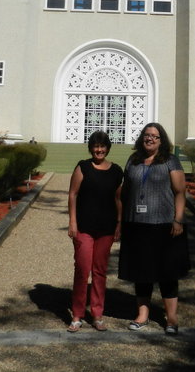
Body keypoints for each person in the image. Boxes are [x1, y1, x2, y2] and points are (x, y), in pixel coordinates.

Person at [117, 122, 190, 335]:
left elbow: (179, 192)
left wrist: (178, 220)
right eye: (147, 135)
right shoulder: (134, 160)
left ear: (161, 140)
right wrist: (121, 221)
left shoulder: (170, 160)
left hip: (164, 225)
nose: (150, 138)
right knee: (142, 272)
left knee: (168, 272)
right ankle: (142, 315)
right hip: (137, 224)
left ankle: (172, 318)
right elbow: (125, 192)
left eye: (154, 136)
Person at [66, 130, 123, 332]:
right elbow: (73, 194)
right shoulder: (83, 167)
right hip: (84, 227)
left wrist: (119, 223)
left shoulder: (116, 171)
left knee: (100, 271)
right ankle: (78, 314)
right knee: (82, 269)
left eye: (102, 146)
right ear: (91, 148)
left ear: (107, 148)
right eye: (95, 146)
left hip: (106, 228)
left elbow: (118, 199)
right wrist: (72, 222)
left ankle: (97, 314)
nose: (99, 150)